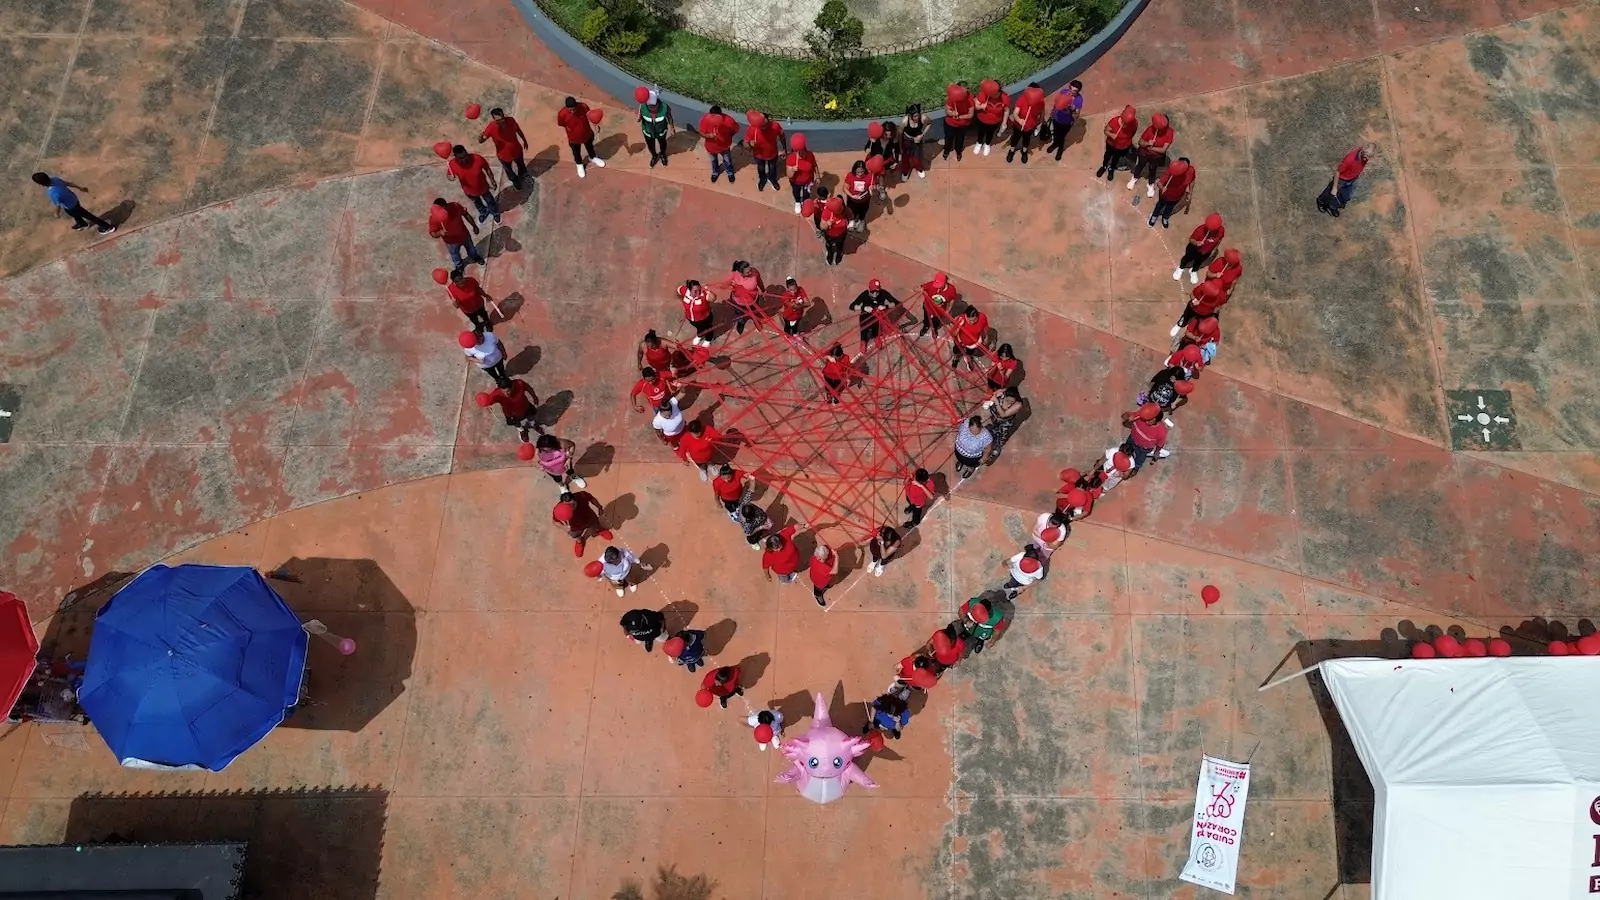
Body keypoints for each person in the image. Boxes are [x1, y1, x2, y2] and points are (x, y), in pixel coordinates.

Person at [31, 172, 115, 235]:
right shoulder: (55, 179)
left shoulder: (52, 193)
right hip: (73, 199)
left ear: (41, 184)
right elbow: (68, 183)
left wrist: (56, 213)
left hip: (71, 206)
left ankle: (106, 227)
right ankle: (81, 223)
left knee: (88, 216)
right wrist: (80, 188)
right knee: (72, 213)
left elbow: (58, 204)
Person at [1317, 142, 1379, 217]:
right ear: (1363, 150)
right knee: (1330, 192)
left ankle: (1333, 206)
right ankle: (1321, 201)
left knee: (1346, 197)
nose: (1368, 159)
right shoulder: (1350, 159)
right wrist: (1334, 187)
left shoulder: (1364, 156)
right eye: (1367, 156)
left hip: (1352, 179)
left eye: (1370, 157)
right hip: (1341, 180)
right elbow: (1338, 172)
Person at [478, 107, 530, 190]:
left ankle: (523, 174)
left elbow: (518, 130)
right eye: (498, 121)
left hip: (517, 150)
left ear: (503, 116)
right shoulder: (491, 127)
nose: (501, 122)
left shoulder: (511, 121)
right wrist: (480, 138)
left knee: (521, 165)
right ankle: (515, 181)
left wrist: (524, 140)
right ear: (494, 119)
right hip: (503, 155)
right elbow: (482, 140)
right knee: (509, 171)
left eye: (502, 119)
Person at [447, 144, 501, 224]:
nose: (464, 159)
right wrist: (450, 177)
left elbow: (487, 169)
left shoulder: (477, 159)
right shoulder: (452, 164)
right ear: (455, 157)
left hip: (483, 188)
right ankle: (483, 212)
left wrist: (492, 181)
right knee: (477, 203)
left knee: (490, 201)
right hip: (469, 192)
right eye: (461, 158)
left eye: (465, 156)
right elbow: (449, 175)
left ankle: (495, 213)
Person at [427, 197, 483, 272]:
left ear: (444, 206)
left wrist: (474, 226)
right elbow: (432, 233)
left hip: (464, 235)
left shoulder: (455, 206)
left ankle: (475, 257)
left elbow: (466, 214)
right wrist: (439, 233)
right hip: (451, 242)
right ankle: (459, 266)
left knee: (471, 249)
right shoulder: (434, 218)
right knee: (455, 255)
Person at [478, 379, 542, 442]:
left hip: (526, 407)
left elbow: (528, 388)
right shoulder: (496, 394)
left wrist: (534, 397)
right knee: (516, 423)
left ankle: (534, 425)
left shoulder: (520, 384)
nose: (506, 394)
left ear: (512, 387)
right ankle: (522, 431)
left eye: (508, 391)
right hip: (511, 414)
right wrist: (487, 405)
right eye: (503, 391)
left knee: (532, 417)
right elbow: (488, 401)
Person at [553, 490, 612, 557]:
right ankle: (580, 543)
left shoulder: (582, 496)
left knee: (595, 526)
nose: (571, 508)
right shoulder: (559, 509)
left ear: (575, 499)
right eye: (568, 506)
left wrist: (599, 507)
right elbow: (555, 521)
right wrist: (565, 528)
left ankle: (598, 530)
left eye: (573, 505)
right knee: (575, 535)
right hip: (574, 527)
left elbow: (592, 499)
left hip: (589, 518)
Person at [1128, 112, 1174, 196]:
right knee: (1140, 166)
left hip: (1156, 156)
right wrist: (1148, 143)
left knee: (1152, 170)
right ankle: (1134, 178)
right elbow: (1140, 143)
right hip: (1144, 153)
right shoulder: (1150, 129)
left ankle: (1150, 184)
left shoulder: (1170, 132)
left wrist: (1152, 148)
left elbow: (1163, 150)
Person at [557, 97, 605, 177]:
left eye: (574, 109)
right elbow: (561, 124)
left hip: (587, 133)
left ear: (577, 106)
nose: (572, 111)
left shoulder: (583, 107)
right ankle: (579, 164)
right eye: (570, 110)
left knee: (590, 146)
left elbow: (590, 116)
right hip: (573, 138)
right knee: (576, 152)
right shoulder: (562, 114)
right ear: (566, 108)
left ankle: (592, 157)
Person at [848, 279, 898, 353]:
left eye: (877, 292)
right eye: (873, 291)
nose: (875, 294)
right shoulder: (865, 295)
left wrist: (885, 306)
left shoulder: (883, 293)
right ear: (869, 290)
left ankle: (876, 337)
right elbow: (852, 306)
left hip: (878, 317)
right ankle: (863, 341)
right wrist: (863, 308)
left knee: (876, 327)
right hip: (865, 317)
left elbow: (895, 303)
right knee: (864, 328)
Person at [1173, 213, 1225, 282]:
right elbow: (1191, 239)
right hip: (1194, 249)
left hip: (1206, 252)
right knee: (1187, 258)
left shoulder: (1221, 231)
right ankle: (1180, 268)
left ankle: (1193, 270)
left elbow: (1219, 239)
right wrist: (1197, 243)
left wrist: (1215, 248)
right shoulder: (1201, 229)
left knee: (1199, 261)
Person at [1120, 402, 1172, 469]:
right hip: (1132, 439)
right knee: (1125, 452)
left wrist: (1157, 452)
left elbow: (1160, 444)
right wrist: (1128, 417)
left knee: (1139, 460)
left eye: (1151, 419)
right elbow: (1124, 416)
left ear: (1157, 420)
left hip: (1143, 449)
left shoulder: (1161, 431)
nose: (1146, 421)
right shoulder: (1141, 415)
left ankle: (1135, 468)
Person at [1148, 157, 1195, 228]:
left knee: (1170, 207)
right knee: (1160, 205)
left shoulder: (1191, 171)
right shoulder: (1172, 170)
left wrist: (1190, 193)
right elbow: (1159, 183)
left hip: (1177, 196)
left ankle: (1165, 218)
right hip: (1165, 195)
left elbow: (1192, 181)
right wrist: (1162, 188)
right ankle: (1154, 216)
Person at [983, 387, 1025, 465]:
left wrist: (996, 402)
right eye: (1007, 400)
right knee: (991, 431)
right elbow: (988, 397)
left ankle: (994, 454)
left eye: (1012, 401)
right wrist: (993, 395)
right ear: (1005, 395)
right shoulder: (1002, 393)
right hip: (995, 418)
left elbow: (1003, 414)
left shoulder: (1018, 404)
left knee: (1000, 438)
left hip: (1005, 423)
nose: (1010, 403)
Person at [745, 111, 785, 192]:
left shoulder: (775, 126)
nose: (764, 127)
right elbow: (745, 144)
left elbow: (782, 136)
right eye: (762, 126)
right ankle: (762, 180)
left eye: (765, 124)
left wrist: (784, 149)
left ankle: (773, 180)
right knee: (761, 168)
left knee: (772, 168)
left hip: (772, 153)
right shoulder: (752, 129)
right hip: (759, 155)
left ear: (768, 119)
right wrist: (750, 144)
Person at [1005, 84, 1045, 164]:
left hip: (1030, 126)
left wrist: (1039, 124)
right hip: (1018, 126)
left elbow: (1042, 113)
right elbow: (1015, 113)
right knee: (1015, 138)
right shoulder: (1022, 99)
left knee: (1026, 140)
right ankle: (1011, 150)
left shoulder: (1041, 102)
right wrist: (1019, 120)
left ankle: (1024, 152)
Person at [698, 105, 739, 183]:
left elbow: (735, 129)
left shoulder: (728, 120)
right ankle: (715, 173)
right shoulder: (706, 118)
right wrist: (708, 135)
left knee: (727, 161)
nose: (712, 119)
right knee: (713, 161)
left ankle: (730, 173)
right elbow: (701, 132)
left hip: (724, 146)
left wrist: (728, 137)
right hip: (711, 147)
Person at [723, 260, 764, 336]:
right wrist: (731, 284)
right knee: (740, 315)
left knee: (754, 313)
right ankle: (741, 323)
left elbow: (759, 281)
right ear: (741, 273)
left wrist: (763, 290)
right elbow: (724, 285)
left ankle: (756, 321)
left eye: (750, 270)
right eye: (747, 272)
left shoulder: (754, 272)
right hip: (739, 303)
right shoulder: (734, 275)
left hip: (753, 301)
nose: (751, 272)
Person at [1045, 81, 1084, 162]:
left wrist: (1072, 109)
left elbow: (1076, 116)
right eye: (1070, 89)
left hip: (1066, 122)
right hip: (1057, 118)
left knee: (1061, 137)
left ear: (1078, 91)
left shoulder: (1078, 100)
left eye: (1074, 91)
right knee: (1055, 133)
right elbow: (1056, 104)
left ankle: (1060, 150)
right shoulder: (1063, 92)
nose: (1071, 92)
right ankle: (1055, 144)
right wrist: (1053, 112)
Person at [1096, 106, 1138, 181]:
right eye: (1123, 122)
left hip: (1123, 146)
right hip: (1111, 144)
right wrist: (1111, 135)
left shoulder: (1134, 123)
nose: (1124, 124)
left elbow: (1133, 133)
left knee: (1116, 158)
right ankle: (1104, 166)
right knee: (1107, 155)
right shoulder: (1114, 121)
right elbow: (1105, 131)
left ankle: (1111, 169)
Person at [637, 89, 675, 167]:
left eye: (654, 106)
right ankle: (654, 156)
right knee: (650, 146)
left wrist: (672, 128)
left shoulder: (665, 107)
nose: (652, 108)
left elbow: (670, 117)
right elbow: (640, 116)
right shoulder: (642, 106)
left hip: (661, 131)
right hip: (648, 132)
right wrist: (639, 118)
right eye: (650, 106)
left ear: (658, 103)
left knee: (663, 144)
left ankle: (662, 155)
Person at [973, 81, 1009, 157]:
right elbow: (975, 105)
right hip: (982, 119)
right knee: (981, 132)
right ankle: (979, 143)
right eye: (992, 94)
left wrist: (1004, 123)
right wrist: (981, 106)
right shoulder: (984, 94)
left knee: (990, 133)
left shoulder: (1005, 98)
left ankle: (987, 144)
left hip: (995, 121)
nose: (994, 96)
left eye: (996, 94)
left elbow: (1006, 110)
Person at [786, 135, 819, 215]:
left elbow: (814, 166)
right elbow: (789, 175)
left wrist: (818, 177)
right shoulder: (791, 158)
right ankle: (797, 202)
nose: (798, 153)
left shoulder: (810, 155)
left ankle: (805, 203)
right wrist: (793, 170)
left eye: (800, 151)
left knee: (806, 194)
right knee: (796, 192)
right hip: (795, 182)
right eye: (796, 151)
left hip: (808, 181)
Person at [918, 272, 957, 338]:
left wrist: (948, 310)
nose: (938, 289)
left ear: (945, 282)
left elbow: (952, 299)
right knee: (926, 320)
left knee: (936, 323)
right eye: (937, 286)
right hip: (928, 308)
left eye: (940, 286)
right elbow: (917, 288)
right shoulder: (931, 285)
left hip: (939, 312)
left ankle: (934, 330)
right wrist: (919, 289)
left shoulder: (951, 290)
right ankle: (926, 327)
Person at [943, 82, 974, 161]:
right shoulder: (951, 97)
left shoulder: (970, 99)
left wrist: (959, 117)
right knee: (948, 139)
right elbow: (947, 111)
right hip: (950, 124)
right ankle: (946, 150)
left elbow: (970, 114)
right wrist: (952, 113)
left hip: (963, 125)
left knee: (960, 139)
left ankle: (958, 152)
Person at [678, 279, 715, 346]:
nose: (698, 293)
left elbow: (713, 298)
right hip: (692, 319)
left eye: (699, 290)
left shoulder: (703, 295)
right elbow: (678, 291)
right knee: (699, 328)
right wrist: (682, 301)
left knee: (708, 329)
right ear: (689, 290)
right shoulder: (684, 291)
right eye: (695, 291)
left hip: (705, 319)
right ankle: (700, 335)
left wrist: (708, 291)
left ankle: (708, 339)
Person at [952, 305, 988, 370]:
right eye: (970, 320)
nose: (972, 322)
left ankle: (969, 360)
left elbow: (985, 327)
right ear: (966, 316)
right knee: (956, 351)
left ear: (977, 316)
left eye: (974, 320)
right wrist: (960, 326)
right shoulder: (960, 319)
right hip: (960, 341)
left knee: (969, 353)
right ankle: (956, 358)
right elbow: (953, 333)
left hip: (972, 343)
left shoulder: (982, 317)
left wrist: (986, 337)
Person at [842, 160, 874, 232]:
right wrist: (852, 196)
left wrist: (872, 188)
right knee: (851, 211)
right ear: (854, 170)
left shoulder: (870, 176)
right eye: (858, 172)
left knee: (863, 211)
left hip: (864, 200)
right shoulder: (850, 175)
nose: (860, 174)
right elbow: (845, 187)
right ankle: (852, 221)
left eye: (862, 172)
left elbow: (873, 186)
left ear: (864, 170)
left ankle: (860, 221)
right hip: (852, 200)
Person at [900, 104, 930, 179]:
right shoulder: (904, 121)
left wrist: (922, 135)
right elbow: (899, 133)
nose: (917, 118)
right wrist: (900, 146)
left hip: (917, 139)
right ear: (910, 116)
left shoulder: (923, 118)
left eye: (918, 115)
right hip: (907, 140)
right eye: (914, 116)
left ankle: (919, 169)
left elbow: (929, 124)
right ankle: (905, 171)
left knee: (917, 156)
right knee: (905, 157)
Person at [819, 196, 850, 265]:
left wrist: (850, 224)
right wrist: (827, 223)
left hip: (841, 234)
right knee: (829, 246)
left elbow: (851, 217)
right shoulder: (827, 211)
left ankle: (839, 255)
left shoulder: (846, 210)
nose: (842, 208)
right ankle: (830, 255)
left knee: (840, 246)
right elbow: (822, 226)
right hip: (829, 235)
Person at [809, 543, 838, 608]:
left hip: (814, 576)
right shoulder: (823, 567)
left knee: (820, 586)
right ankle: (817, 595)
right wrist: (836, 556)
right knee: (818, 589)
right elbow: (835, 571)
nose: (822, 560)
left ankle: (820, 590)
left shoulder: (814, 557)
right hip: (820, 582)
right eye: (821, 559)